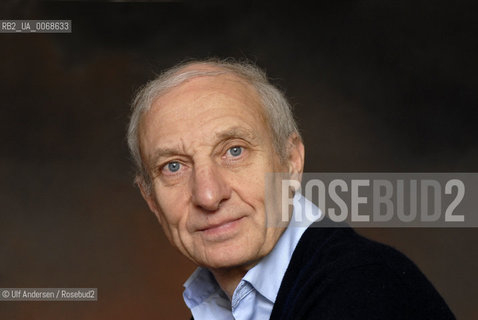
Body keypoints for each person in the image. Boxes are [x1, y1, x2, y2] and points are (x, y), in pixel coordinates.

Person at [127, 58, 455, 319]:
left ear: (291, 162)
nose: (209, 196)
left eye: (234, 151)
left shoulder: (365, 289)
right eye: (173, 166)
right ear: (151, 199)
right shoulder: (219, 306)